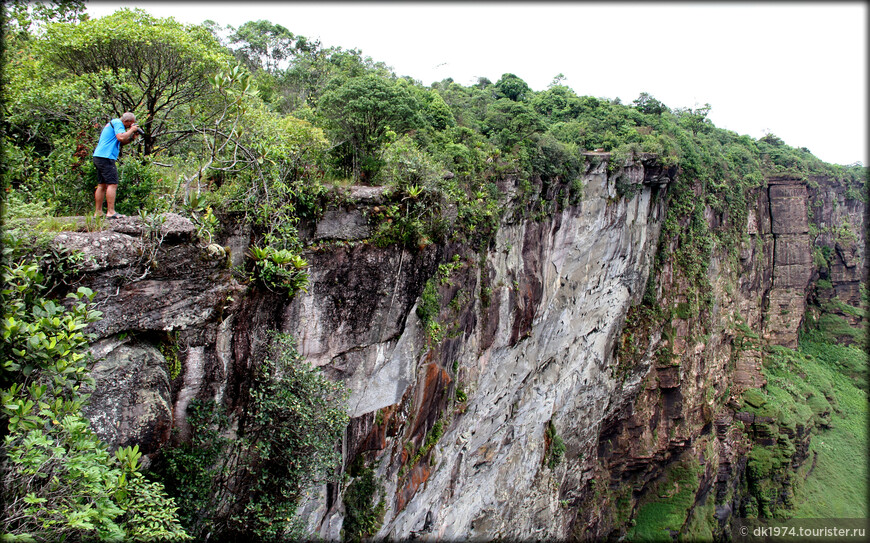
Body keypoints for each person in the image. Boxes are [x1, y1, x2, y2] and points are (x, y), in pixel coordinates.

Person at [92, 112, 140, 219]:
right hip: (106, 157)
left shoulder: (113, 123)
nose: (130, 126)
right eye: (130, 124)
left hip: (99, 156)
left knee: (102, 185)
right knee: (112, 184)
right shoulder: (118, 123)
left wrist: (132, 138)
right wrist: (131, 130)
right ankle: (111, 212)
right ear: (126, 121)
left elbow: (121, 142)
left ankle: (98, 212)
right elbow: (120, 137)